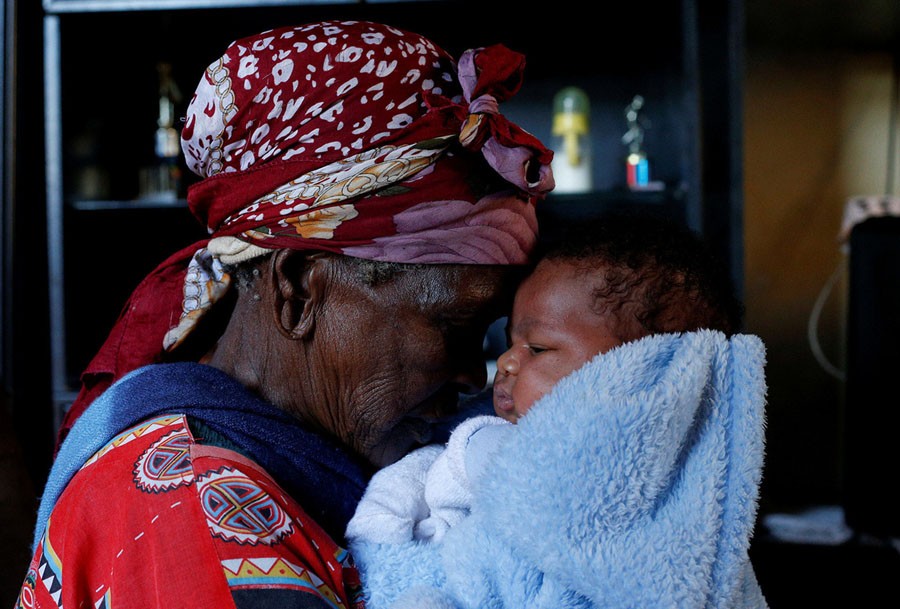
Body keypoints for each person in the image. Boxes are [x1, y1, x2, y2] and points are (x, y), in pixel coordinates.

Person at [16, 20, 555, 609]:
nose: (474, 378)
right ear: (297, 290)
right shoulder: (195, 512)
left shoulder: (307, 458)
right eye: (455, 329)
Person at [345, 211, 770, 609]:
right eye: (510, 342)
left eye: (538, 348)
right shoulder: (465, 441)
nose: (508, 363)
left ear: (642, 376)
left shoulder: (683, 510)